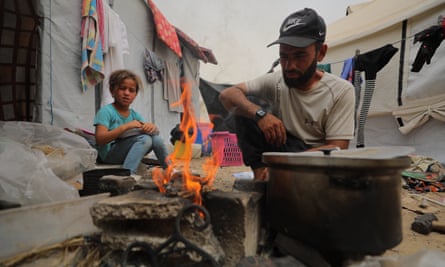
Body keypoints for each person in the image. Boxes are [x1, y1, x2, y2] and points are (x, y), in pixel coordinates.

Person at [219, 8, 355, 181]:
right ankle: (262, 177)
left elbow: (338, 149)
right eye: (284, 56)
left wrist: (285, 166)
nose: (290, 66)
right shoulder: (276, 81)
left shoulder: (341, 91)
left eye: (300, 56)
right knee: (244, 106)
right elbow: (227, 95)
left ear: (320, 53)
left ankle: (275, 176)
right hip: (284, 150)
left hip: (317, 161)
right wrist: (260, 115)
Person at [94, 69, 169, 175]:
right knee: (145, 139)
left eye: (131, 90)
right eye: (122, 88)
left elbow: (147, 133)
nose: (126, 93)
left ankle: (170, 170)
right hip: (109, 155)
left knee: (156, 139)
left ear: (135, 94)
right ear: (112, 90)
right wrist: (125, 127)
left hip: (126, 152)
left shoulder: (134, 115)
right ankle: (127, 174)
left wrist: (152, 127)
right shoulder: (106, 111)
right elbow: (100, 139)